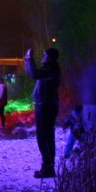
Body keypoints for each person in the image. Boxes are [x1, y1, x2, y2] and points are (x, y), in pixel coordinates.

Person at [25, 46, 61, 179]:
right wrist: (28, 60)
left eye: (45, 56)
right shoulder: (50, 68)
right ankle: (47, 168)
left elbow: (35, 75)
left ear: (50, 58)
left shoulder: (51, 69)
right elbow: (32, 73)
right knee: (46, 138)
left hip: (46, 107)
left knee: (45, 138)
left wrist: (30, 59)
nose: (42, 58)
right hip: (45, 105)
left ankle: (48, 169)